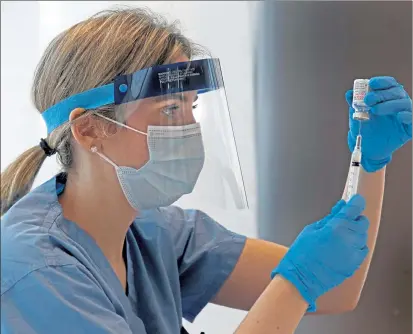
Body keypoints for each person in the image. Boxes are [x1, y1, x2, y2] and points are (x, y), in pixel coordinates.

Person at [1, 8, 411, 334]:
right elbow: (303, 286)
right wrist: (296, 281)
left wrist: (370, 163)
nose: (190, 130)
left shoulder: (155, 234)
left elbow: (336, 291)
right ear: (90, 130)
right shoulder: (37, 272)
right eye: (170, 109)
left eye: (191, 108)